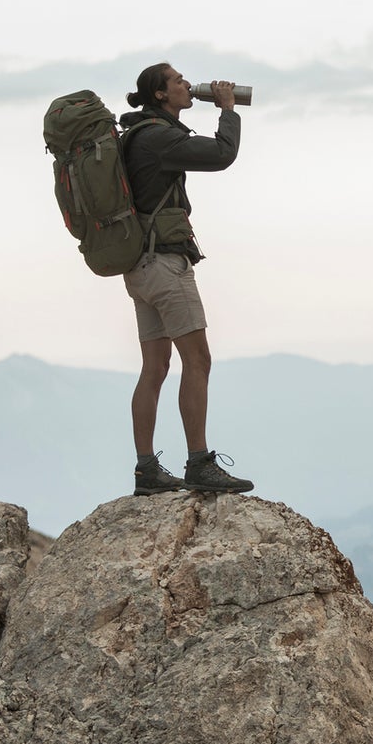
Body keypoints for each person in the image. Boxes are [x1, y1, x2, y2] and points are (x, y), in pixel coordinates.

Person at [117, 62, 255, 496]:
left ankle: (146, 471)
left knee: (155, 367)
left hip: (139, 267)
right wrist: (228, 108)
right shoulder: (158, 137)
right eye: (178, 81)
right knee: (198, 361)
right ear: (160, 94)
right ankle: (199, 463)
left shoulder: (138, 134)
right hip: (165, 265)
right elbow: (221, 154)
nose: (186, 84)